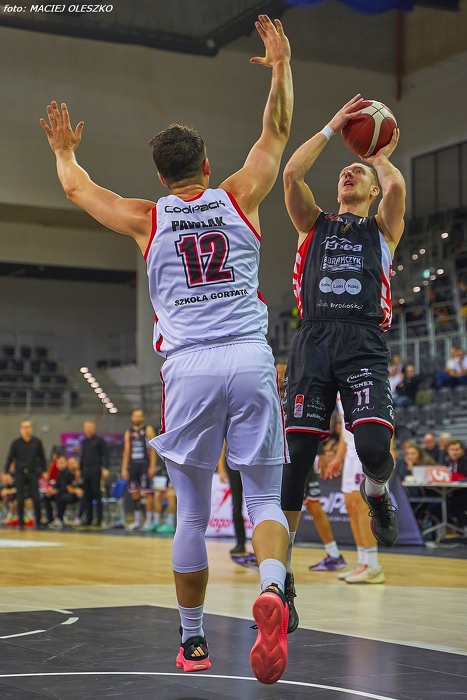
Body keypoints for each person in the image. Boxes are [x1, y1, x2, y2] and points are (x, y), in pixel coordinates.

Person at [41, 14, 293, 685]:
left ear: (161, 175)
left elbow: (75, 188)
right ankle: (272, 588)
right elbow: (275, 133)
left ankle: (193, 643)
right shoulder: (238, 195)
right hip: (247, 356)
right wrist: (280, 67)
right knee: (264, 501)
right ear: (206, 167)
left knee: (191, 511)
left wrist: (65, 150)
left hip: (187, 368)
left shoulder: (147, 217)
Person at [280, 95, 405, 628]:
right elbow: (291, 173)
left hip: (363, 343)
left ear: (372, 190)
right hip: (312, 341)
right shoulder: (313, 223)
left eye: (358, 173)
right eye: (344, 173)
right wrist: (333, 127)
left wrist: (378, 155)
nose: (347, 173)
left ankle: (376, 493)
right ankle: (280, 579)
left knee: (374, 448)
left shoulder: (383, 228)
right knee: (296, 462)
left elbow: (396, 189)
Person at [326, 395, 385, 584]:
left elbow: (384, 417)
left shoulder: (367, 384)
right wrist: (338, 458)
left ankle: (373, 566)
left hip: (366, 451)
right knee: (351, 507)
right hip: (351, 454)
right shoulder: (340, 390)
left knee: (363, 508)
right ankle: (363, 562)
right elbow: (346, 428)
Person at [304, 438, 346, 572]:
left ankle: (269, 556)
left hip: (297, 455)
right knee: (312, 505)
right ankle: (334, 554)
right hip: (295, 454)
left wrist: (321, 452)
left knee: (312, 505)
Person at [3, 420, 46, 529]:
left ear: (31, 429)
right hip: (20, 473)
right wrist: (6, 472)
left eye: (28, 427)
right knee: (20, 498)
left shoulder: (37, 442)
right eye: (24, 427)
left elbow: (42, 458)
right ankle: (21, 523)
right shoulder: (16, 443)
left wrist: (43, 471)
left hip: (33, 473)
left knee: (36, 497)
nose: (26, 430)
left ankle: (39, 522)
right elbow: (9, 458)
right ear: (20, 429)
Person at [121, 409, 156, 532]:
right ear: (132, 417)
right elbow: (127, 451)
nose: (137, 418)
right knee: (134, 493)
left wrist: (152, 466)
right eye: (135, 416)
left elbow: (153, 449)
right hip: (133, 465)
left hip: (145, 464)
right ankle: (138, 521)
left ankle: (149, 520)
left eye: (139, 416)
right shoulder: (129, 432)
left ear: (143, 418)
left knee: (147, 493)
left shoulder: (148, 430)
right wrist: (124, 468)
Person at [79, 421, 109, 528]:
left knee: (97, 495)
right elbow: (82, 457)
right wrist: (80, 470)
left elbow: (105, 455)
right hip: (85, 471)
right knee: (87, 496)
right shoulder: (83, 442)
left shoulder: (99, 441)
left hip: (95, 471)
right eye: (87, 427)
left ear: (94, 428)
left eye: (90, 427)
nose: (89, 429)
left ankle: (99, 520)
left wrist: (105, 468)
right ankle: (89, 519)